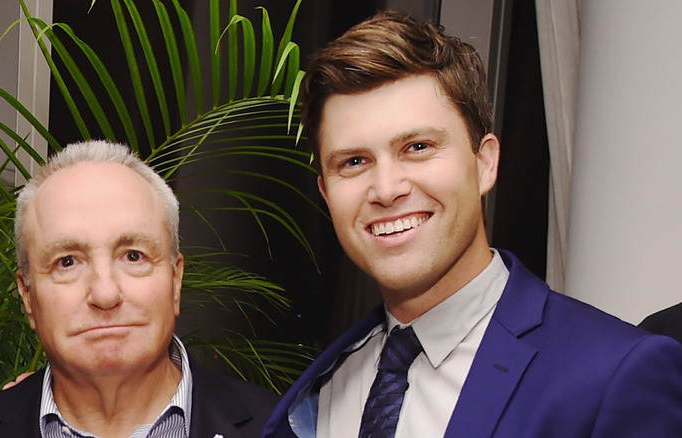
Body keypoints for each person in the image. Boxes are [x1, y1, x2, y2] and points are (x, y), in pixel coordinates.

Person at [263, 10, 682, 438]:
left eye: (418, 147)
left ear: (485, 163)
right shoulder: (320, 393)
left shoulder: (613, 375)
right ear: (327, 193)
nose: (386, 189)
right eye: (354, 162)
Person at [0, 140, 278, 438]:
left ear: (175, 281)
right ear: (28, 297)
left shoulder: (282, 430)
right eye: (67, 262)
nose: (106, 294)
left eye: (134, 256)